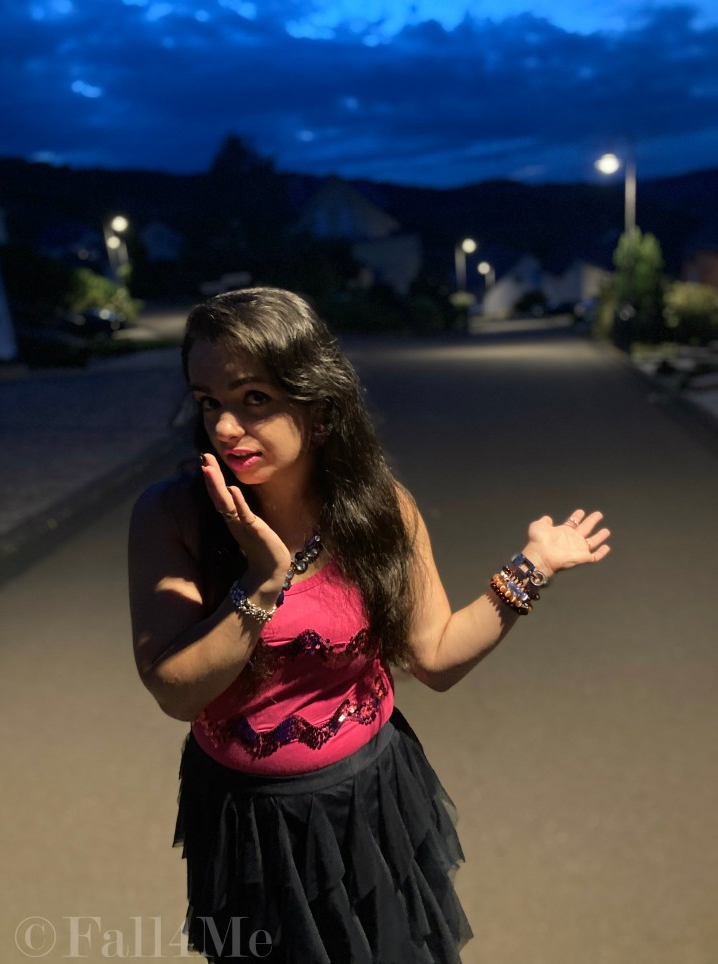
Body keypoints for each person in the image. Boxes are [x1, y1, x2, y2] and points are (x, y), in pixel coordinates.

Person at [128, 287, 610, 964]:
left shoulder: (377, 508)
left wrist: (530, 568)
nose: (226, 428)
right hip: (249, 824)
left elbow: (435, 658)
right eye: (210, 402)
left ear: (318, 406)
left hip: (368, 802)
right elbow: (176, 692)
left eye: (254, 399)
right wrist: (261, 584)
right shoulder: (172, 515)